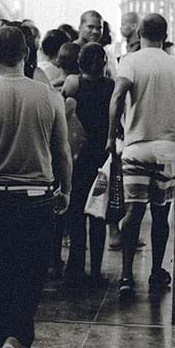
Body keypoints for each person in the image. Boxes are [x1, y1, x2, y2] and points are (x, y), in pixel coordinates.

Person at [0, 25, 72, 348]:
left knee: (0, 270)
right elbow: (63, 151)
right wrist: (65, 190)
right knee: (31, 270)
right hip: (38, 195)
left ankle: (3, 335)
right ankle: (18, 338)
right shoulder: (49, 96)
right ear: (27, 54)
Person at [107, 13, 175, 301]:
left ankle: (125, 277)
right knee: (160, 214)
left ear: (139, 33)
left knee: (133, 212)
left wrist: (113, 136)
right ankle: (156, 272)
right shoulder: (174, 64)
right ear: (164, 34)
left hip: (135, 147)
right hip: (166, 148)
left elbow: (118, 96)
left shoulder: (130, 61)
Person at [61, 43, 114, 287]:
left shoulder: (74, 83)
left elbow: (64, 109)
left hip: (77, 155)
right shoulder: (110, 87)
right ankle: (96, 270)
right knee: (97, 213)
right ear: (103, 63)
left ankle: (75, 266)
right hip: (100, 155)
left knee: (76, 212)